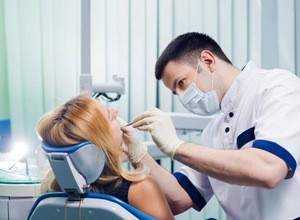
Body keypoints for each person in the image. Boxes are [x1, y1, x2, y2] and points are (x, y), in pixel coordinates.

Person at [120, 32, 300, 219]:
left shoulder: (277, 88)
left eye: (182, 83)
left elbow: (269, 169)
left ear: (207, 61)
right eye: (176, 92)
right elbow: (179, 199)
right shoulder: (213, 132)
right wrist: (137, 153)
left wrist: (177, 147)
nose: (182, 96)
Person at [36, 95, 174, 220]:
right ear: (102, 140)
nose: (116, 112)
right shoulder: (141, 189)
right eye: (110, 116)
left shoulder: (50, 191)